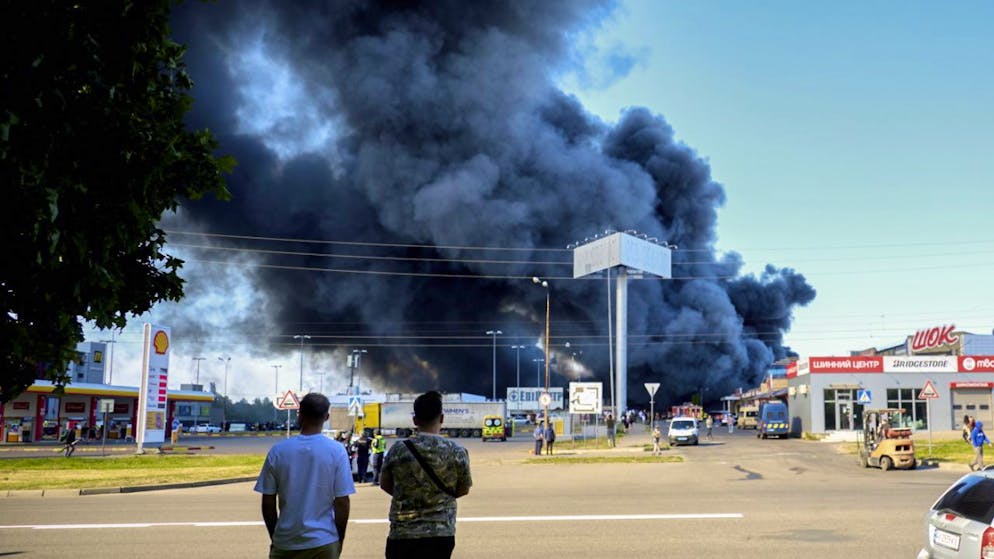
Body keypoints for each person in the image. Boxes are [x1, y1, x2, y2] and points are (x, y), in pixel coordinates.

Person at [255, 393, 355, 559]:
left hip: (285, 543)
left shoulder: (278, 451)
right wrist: (339, 538)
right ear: (327, 417)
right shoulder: (337, 451)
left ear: (300, 415)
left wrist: (275, 536)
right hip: (323, 542)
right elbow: (342, 501)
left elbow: (268, 501)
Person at [380, 391, 472, 559]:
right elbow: (463, 489)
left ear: (415, 420)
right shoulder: (457, 452)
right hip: (441, 534)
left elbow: (385, 484)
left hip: (403, 533)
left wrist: (409, 494)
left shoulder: (398, 450)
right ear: (442, 418)